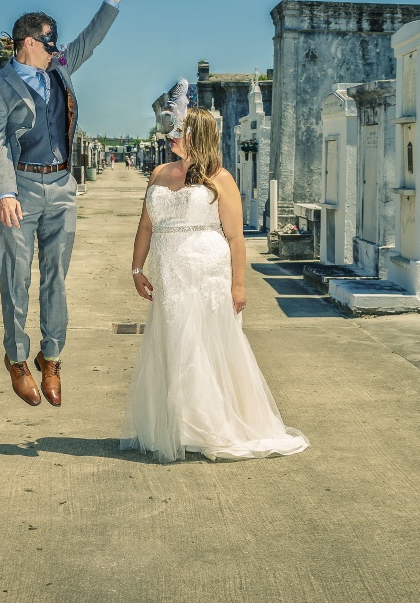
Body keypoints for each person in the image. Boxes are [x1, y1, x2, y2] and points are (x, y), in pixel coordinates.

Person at [121, 79, 309, 462]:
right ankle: (180, 425)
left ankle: (210, 425)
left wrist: (238, 285)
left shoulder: (220, 178)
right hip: (169, 271)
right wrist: (137, 268)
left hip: (207, 270)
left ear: (198, 135)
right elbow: (145, 226)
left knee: (202, 345)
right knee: (173, 341)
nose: (172, 134)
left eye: (180, 129)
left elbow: (236, 238)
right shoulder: (159, 173)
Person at [0, 0, 131, 407]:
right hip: (22, 189)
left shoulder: (59, 68)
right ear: (29, 43)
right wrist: (5, 193)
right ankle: (16, 357)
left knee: (56, 278)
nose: (56, 48)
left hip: (62, 187)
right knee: (15, 278)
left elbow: (90, 39)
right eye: (49, 41)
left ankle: (52, 357)